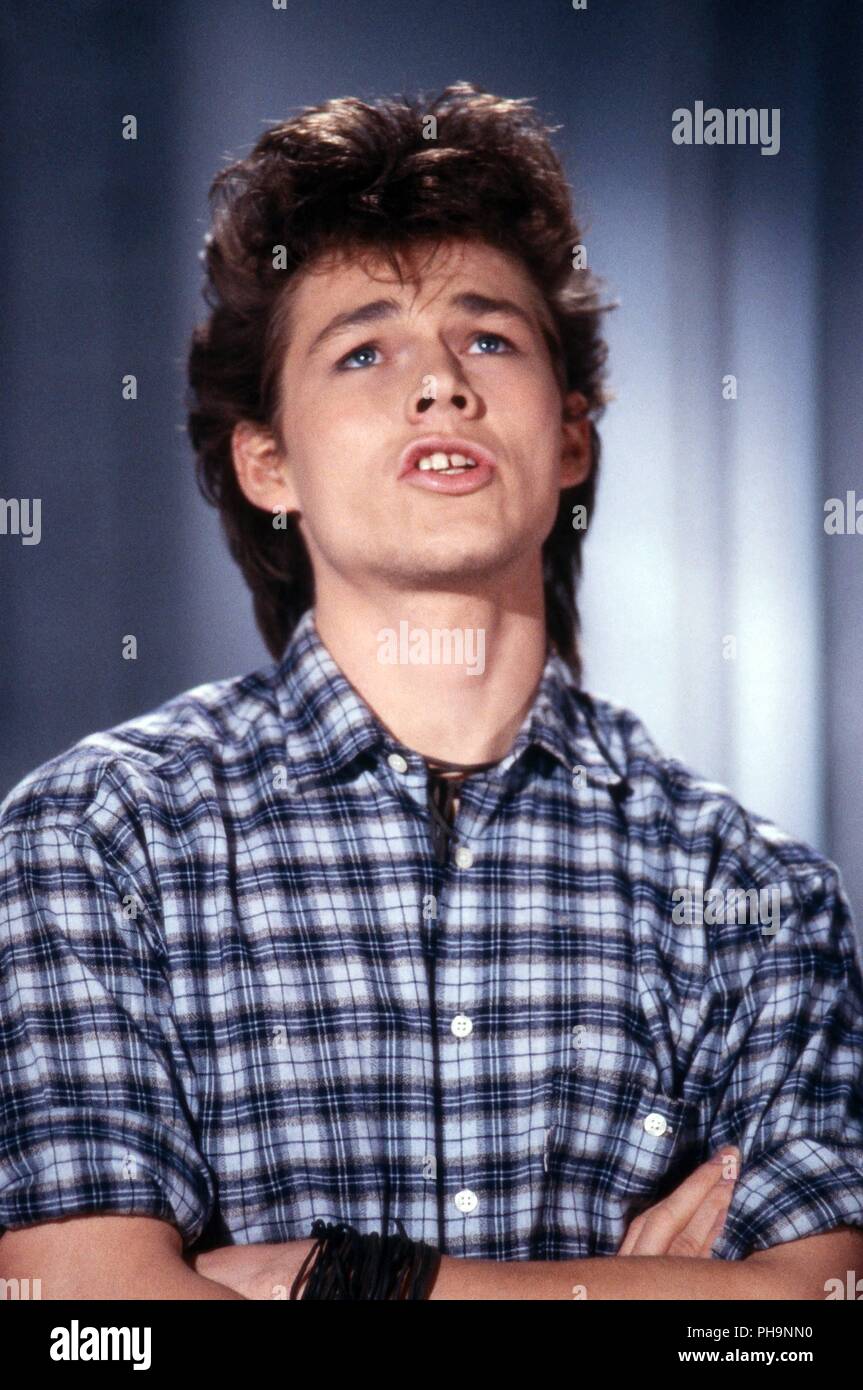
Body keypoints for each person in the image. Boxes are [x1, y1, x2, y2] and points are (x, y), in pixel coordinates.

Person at [1, 83, 862, 1301]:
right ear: (267, 463)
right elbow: (84, 1329)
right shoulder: (100, 837)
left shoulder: (755, 888)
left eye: (489, 337)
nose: (441, 385)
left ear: (568, 440)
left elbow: (800, 1324)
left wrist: (357, 1284)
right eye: (363, 348)